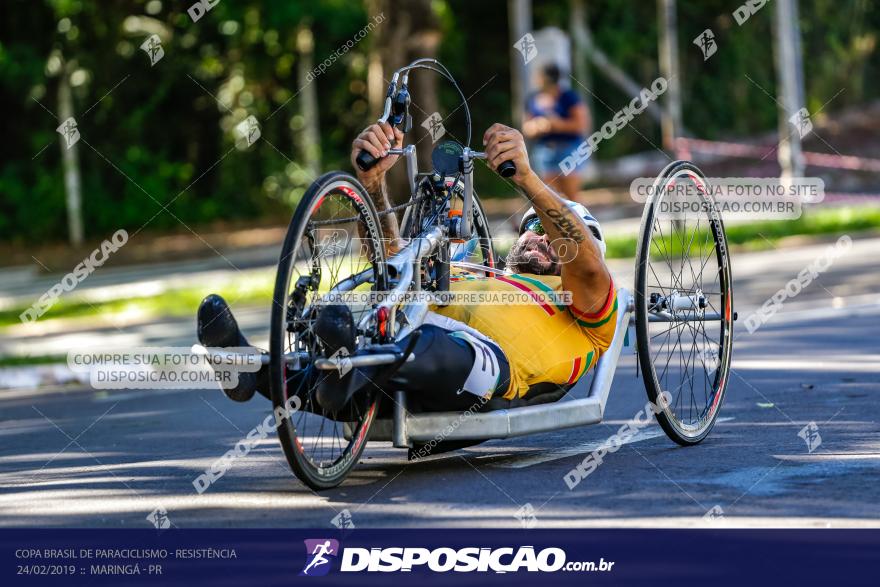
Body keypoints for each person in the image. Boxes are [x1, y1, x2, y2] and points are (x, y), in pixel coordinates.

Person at [196, 121, 616, 416]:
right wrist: (374, 186)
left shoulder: (587, 312)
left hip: (485, 368)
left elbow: (588, 267)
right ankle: (250, 367)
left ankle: (349, 368)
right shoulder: (471, 271)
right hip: (401, 348)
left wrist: (525, 177)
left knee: (427, 344)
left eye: (553, 235)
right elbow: (392, 266)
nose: (544, 236)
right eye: (534, 227)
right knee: (388, 332)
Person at [522, 63, 590, 200]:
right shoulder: (532, 98)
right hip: (545, 152)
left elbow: (581, 124)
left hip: (569, 150)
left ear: (546, 78)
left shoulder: (569, 97)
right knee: (550, 199)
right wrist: (537, 126)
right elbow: (526, 128)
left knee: (572, 198)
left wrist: (557, 124)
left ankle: (577, 221)